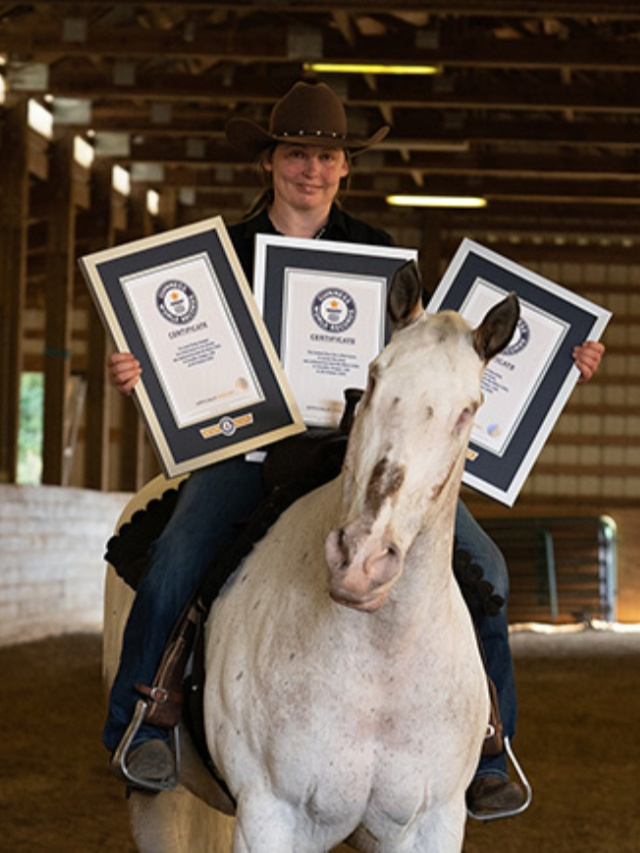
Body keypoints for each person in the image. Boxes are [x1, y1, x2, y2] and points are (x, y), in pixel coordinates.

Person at [104, 81, 605, 815]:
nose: (312, 168)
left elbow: (442, 355)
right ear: (270, 163)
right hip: (249, 448)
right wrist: (138, 367)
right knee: (179, 554)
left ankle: (491, 744)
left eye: (327, 155)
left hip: (350, 456)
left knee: (487, 565)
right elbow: (182, 348)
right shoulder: (224, 253)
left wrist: (558, 364)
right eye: (297, 153)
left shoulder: (380, 258)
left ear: (345, 169)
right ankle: (142, 720)